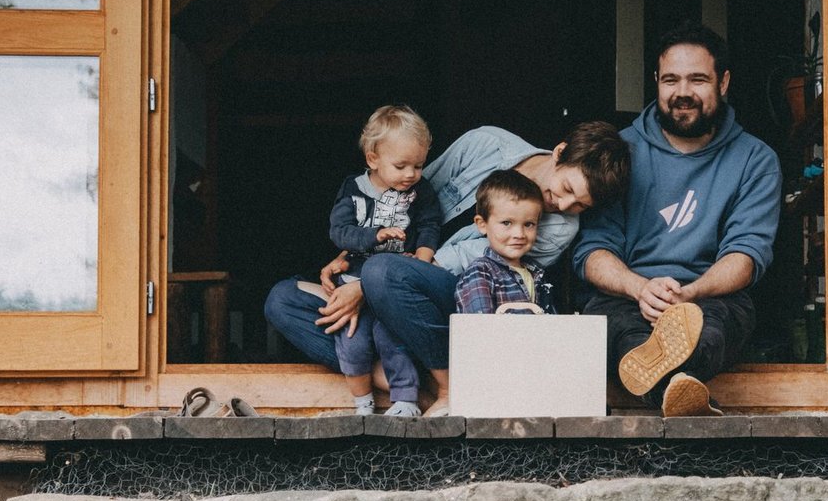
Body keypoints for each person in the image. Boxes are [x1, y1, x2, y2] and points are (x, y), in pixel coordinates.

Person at [264, 121, 629, 411]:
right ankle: (395, 381)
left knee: (383, 276)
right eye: (566, 188)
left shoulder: (562, 228)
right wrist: (353, 253)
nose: (563, 205)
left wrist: (366, 285)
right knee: (281, 299)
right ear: (559, 153)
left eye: (580, 204)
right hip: (386, 266)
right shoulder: (486, 144)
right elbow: (409, 195)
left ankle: (447, 384)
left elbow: (473, 273)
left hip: (451, 299)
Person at [574, 22, 781, 416]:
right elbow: (593, 251)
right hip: (626, 295)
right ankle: (680, 393)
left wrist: (689, 295)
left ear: (723, 82)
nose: (682, 93)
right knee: (625, 335)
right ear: (656, 81)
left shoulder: (755, 159)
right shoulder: (619, 151)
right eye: (671, 80)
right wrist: (639, 289)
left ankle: (666, 385)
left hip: (710, 297)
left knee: (710, 333)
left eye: (697, 79)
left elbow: (747, 253)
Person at [325, 105, 443, 416]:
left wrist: (422, 257)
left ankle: (405, 400)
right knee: (352, 338)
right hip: (355, 277)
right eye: (401, 165)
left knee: (391, 336)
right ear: (373, 159)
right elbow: (339, 232)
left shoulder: (421, 190)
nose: (411, 174)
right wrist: (374, 236)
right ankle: (363, 404)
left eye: (418, 166)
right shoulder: (354, 190)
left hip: (395, 281)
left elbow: (431, 224)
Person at [453, 170, 555, 315]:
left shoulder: (537, 273)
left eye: (528, 224)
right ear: (482, 224)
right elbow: (477, 329)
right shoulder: (480, 273)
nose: (519, 234)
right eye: (507, 223)